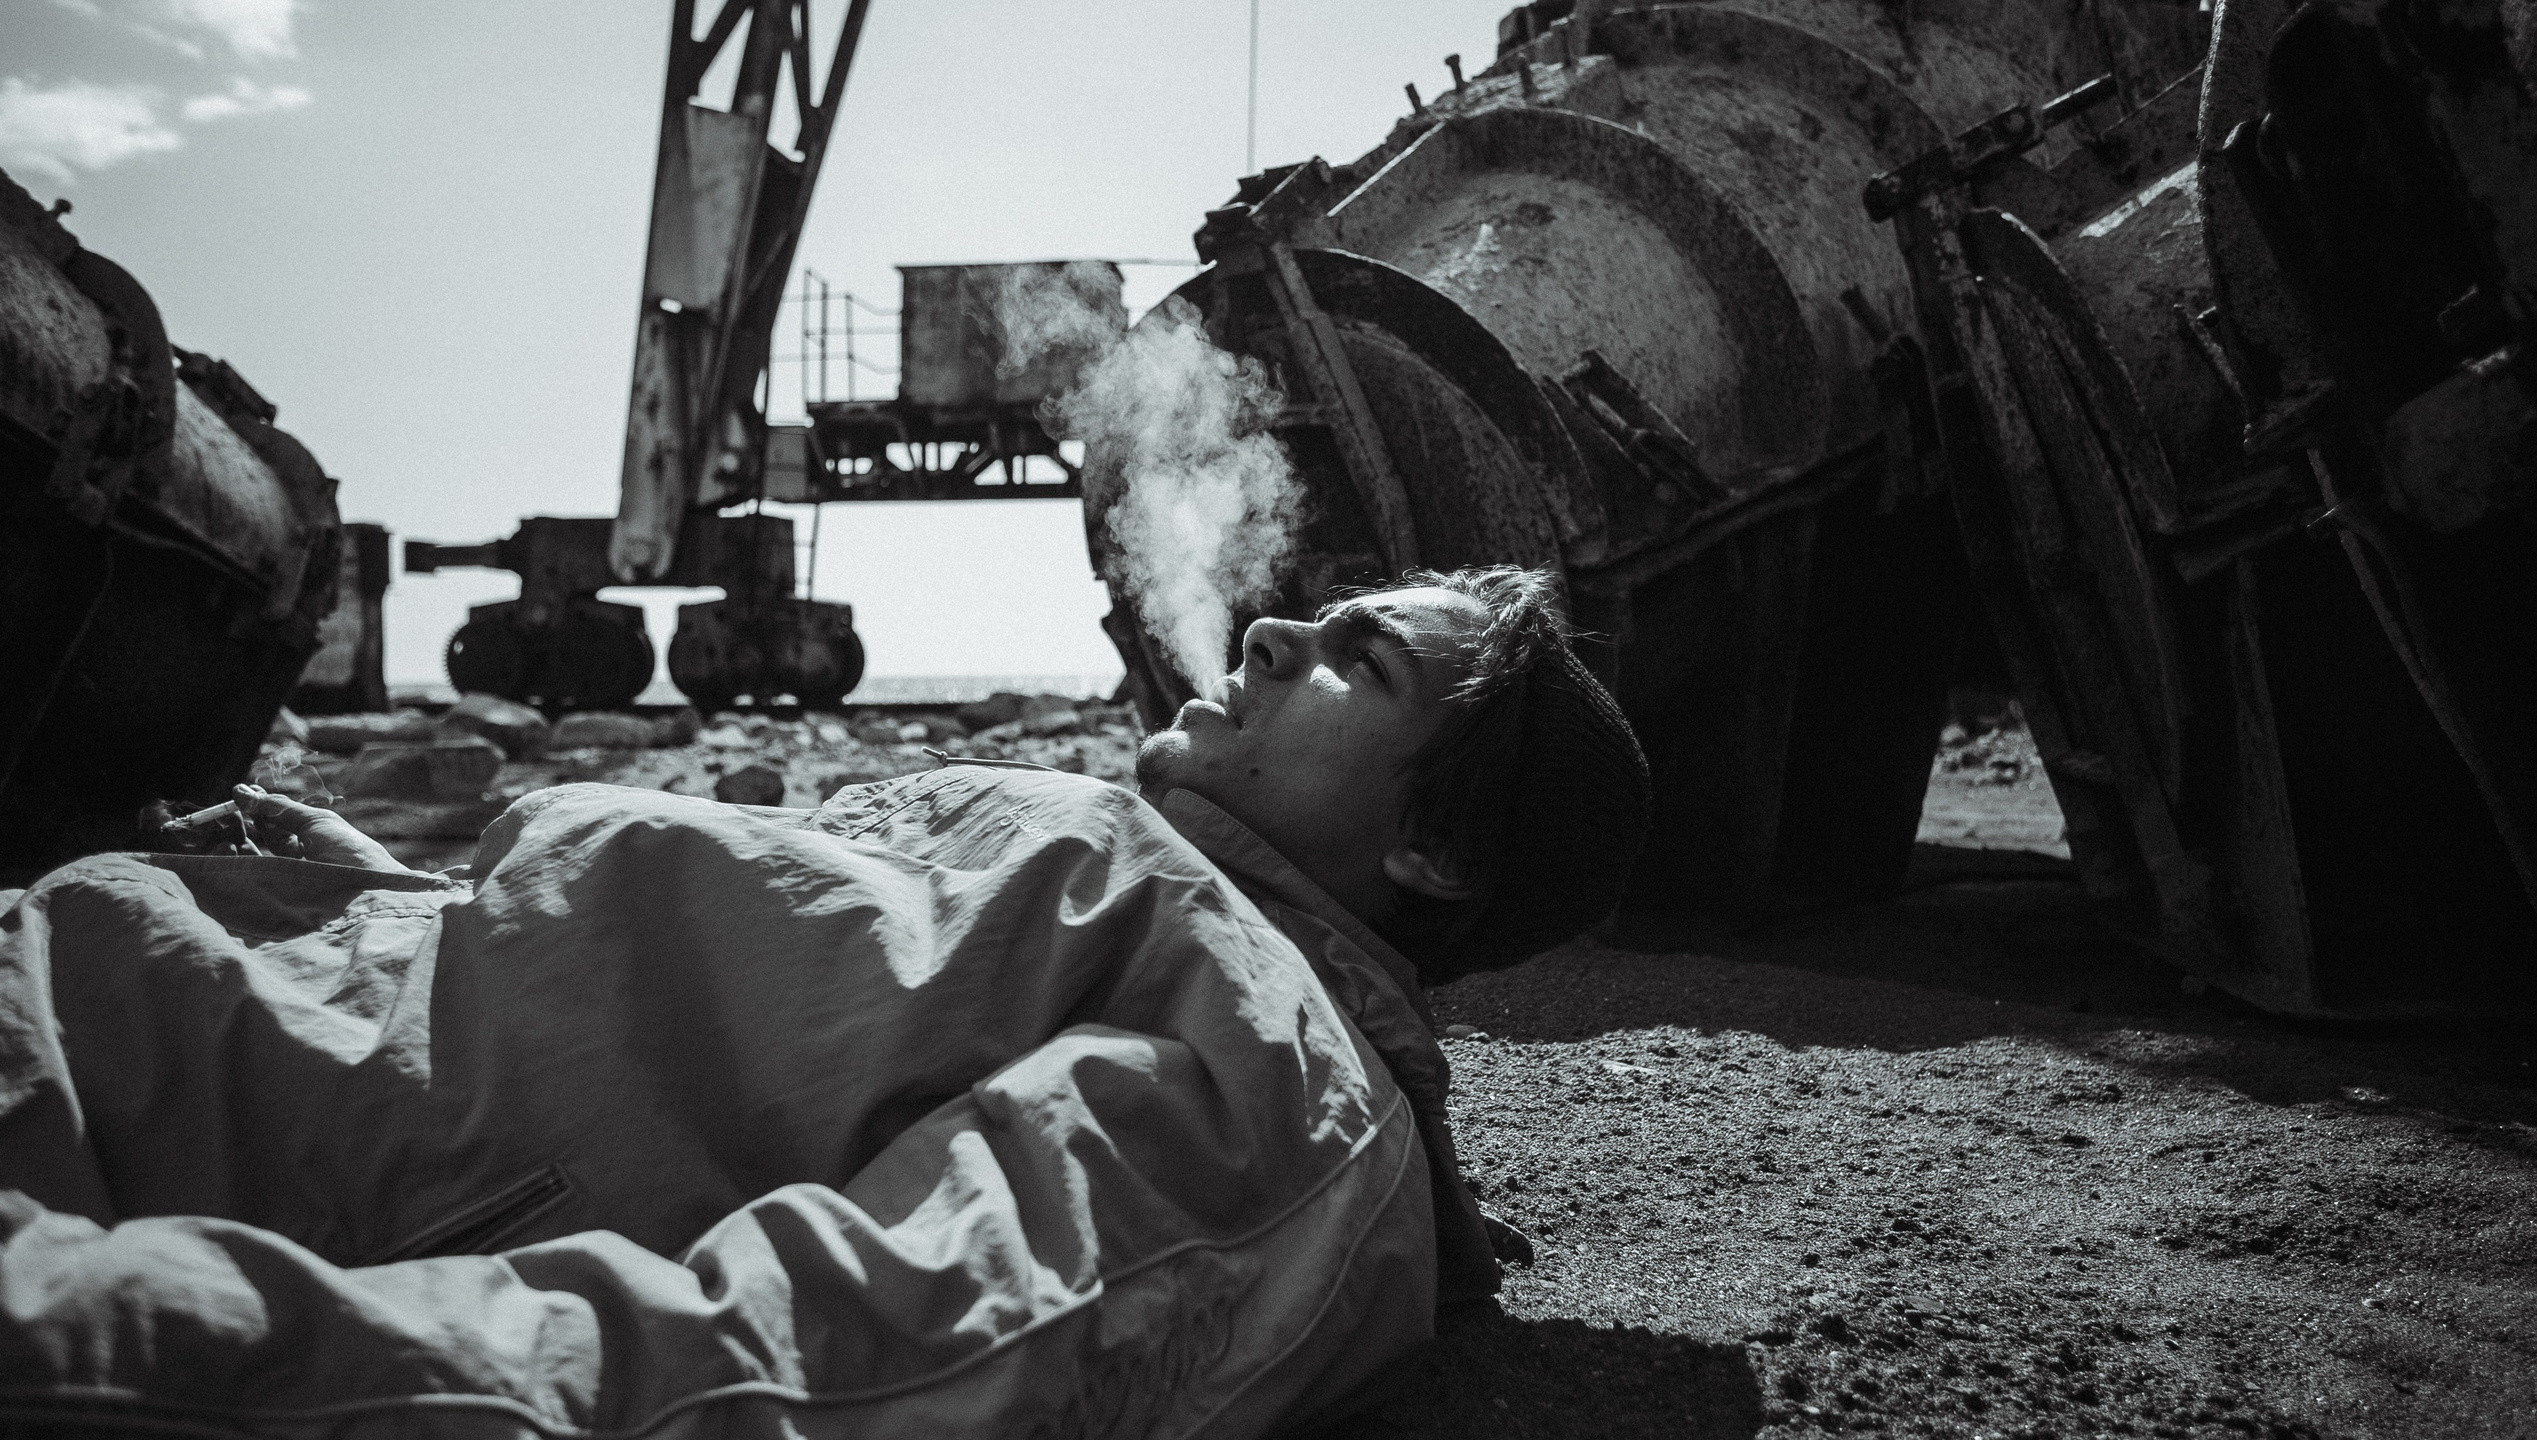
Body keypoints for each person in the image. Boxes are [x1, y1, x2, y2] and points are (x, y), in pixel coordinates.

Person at [0, 566, 1649, 1438]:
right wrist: (389, 899)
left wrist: (94, 1350)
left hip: (114, 1154)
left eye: (1363, 658)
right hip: (158, 994)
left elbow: (801, 1377)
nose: (1277, 626)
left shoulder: (1262, 1082)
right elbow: (737, 1004)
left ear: (1432, 848)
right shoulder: (1149, 872)